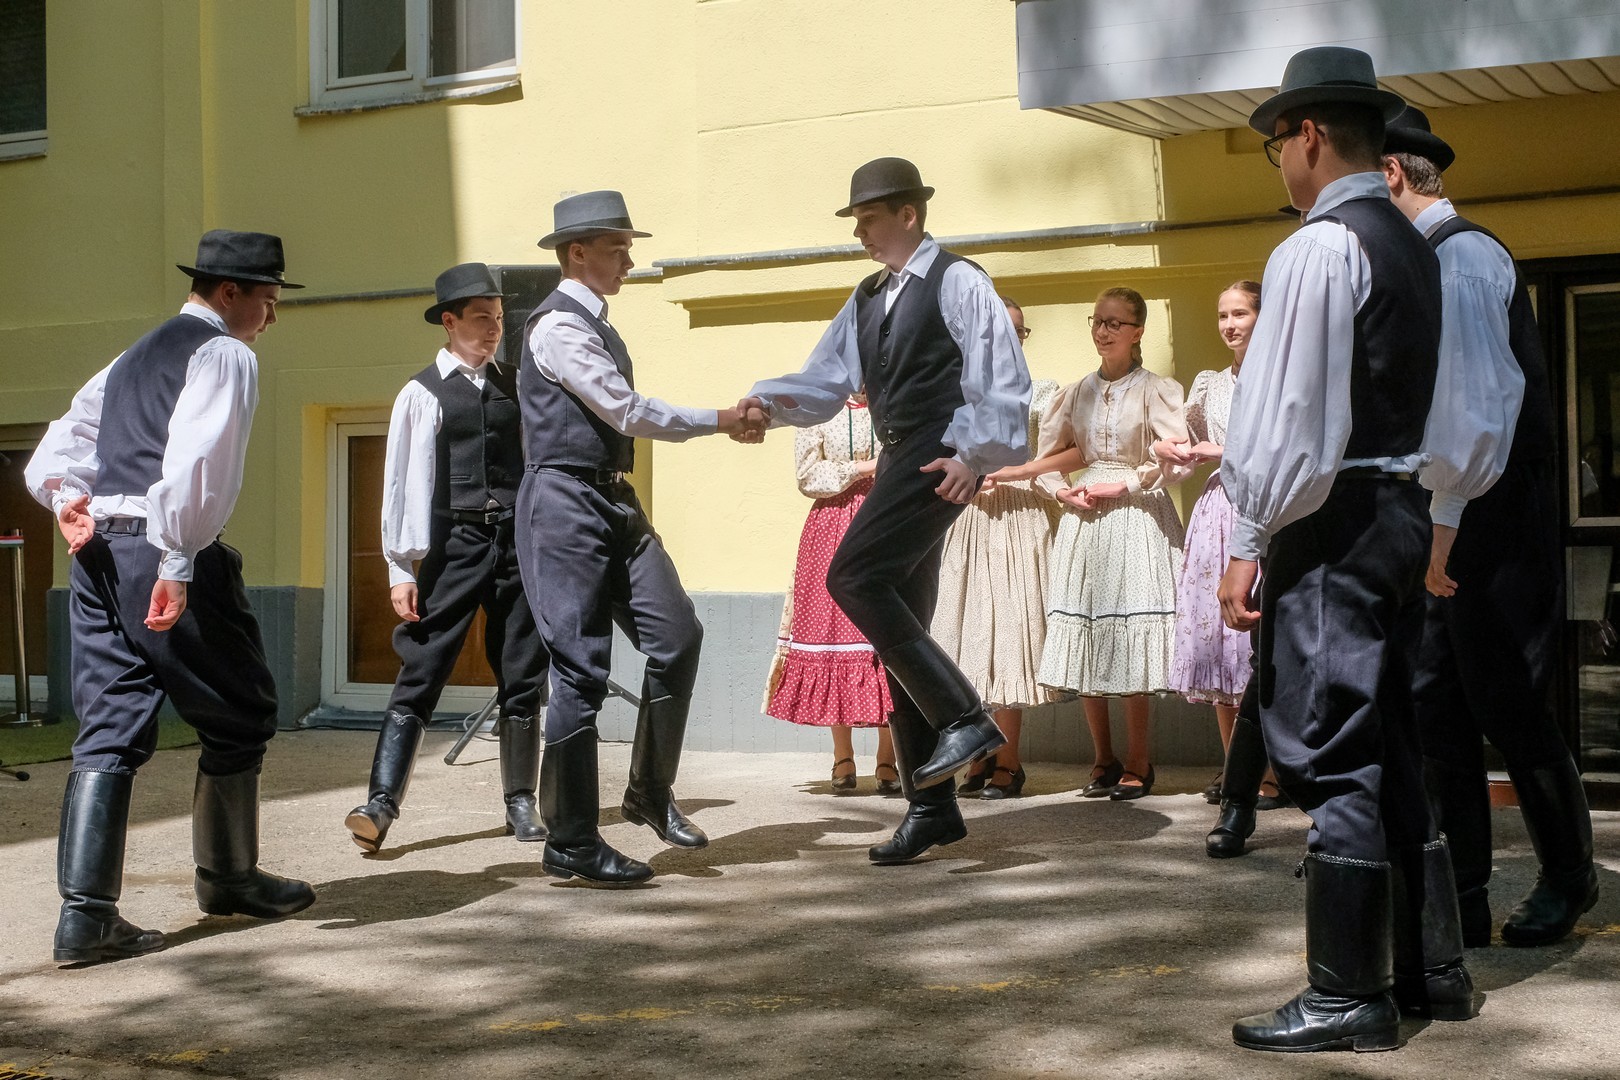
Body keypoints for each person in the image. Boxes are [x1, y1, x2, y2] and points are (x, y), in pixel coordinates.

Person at [1216, 48, 1470, 1051]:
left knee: (1334, 742)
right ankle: (1431, 969)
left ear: (1309, 135)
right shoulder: (1414, 242)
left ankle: (1348, 993)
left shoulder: (1318, 248)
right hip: (1397, 505)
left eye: (1278, 143)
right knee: (1392, 737)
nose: (1281, 161)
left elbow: (1288, 419)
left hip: (1338, 519)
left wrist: (1249, 533)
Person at [25, 230, 316, 964]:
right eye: (268, 300)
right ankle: (228, 878)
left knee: (108, 726)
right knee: (242, 709)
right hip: (160, 549)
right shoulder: (223, 353)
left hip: (96, 552)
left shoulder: (135, 355)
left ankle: (85, 918)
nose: (271, 316)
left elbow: (65, 437)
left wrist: (64, 496)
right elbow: (200, 463)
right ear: (230, 293)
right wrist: (178, 559)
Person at [741, 157, 1032, 864]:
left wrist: (974, 457)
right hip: (900, 454)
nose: (860, 232)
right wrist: (765, 405)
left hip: (937, 455)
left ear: (909, 214)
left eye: (869, 218)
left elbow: (1000, 380)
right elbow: (825, 378)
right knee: (900, 622)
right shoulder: (868, 296)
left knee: (853, 577)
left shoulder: (959, 281)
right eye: (857, 220)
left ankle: (966, 716)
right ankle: (931, 806)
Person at [1384, 106, 1599, 947]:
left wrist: (1441, 525)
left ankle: (1570, 876)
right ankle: (1462, 892)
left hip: (1489, 512)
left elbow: (1473, 412)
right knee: (1437, 705)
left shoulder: (1462, 257)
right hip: (1455, 508)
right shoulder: (1433, 257)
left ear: (1393, 175)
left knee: (1509, 701)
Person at [517, 191, 761, 886]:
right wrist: (722, 419)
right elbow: (624, 410)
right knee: (579, 670)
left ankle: (648, 792)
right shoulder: (558, 327)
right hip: (563, 500)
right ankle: (570, 840)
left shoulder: (595, 323)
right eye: (617, 248)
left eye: (628, 247)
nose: (629, 260)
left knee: (677, 634)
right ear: (577, 253)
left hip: (611, 497)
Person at [344, 263, 551, 853]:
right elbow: (401, 484)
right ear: (450, 322)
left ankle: (521, 803)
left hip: (514, 545)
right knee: (423, 668)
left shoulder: (517, 384)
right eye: (481, 318)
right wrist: (399, 568)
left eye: (499, 318)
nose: (493, 328)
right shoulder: (421, 393)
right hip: (454, 545)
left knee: (522, 671)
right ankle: (380, 804)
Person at [1034, 287, 1191, 800]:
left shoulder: (1156, 389)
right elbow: (1048, 457)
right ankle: (1102, 757)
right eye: (1097, 321)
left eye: (1114, 323)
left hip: (1136, 512)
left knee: (1127, 633)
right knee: (1087, 628)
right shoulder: (1076, 391)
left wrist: (1125, 483)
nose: (1103, 331)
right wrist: (1062, 492)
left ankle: (1140, 760)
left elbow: (1176, 459)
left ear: (1138, 331)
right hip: (1086, 518)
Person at [937, 297, 1061, 799]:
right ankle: (978, 755)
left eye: (1019, 330)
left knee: (1009, 636)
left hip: (1019, 518)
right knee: (968, 638)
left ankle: (1009, 759)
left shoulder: (1043, 392)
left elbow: (1052, 459)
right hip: (968, 519)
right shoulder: (957, 392)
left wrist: (1054, 493)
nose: (1010, 338)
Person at [764, 396, 897, 792]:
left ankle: (889, 758)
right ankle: (843, 756)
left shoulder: (893, 401)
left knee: (884, 638)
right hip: (831, 526)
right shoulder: (818, 410)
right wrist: (865, 468)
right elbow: (807, 476)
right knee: (834, 634)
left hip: (885, 518)